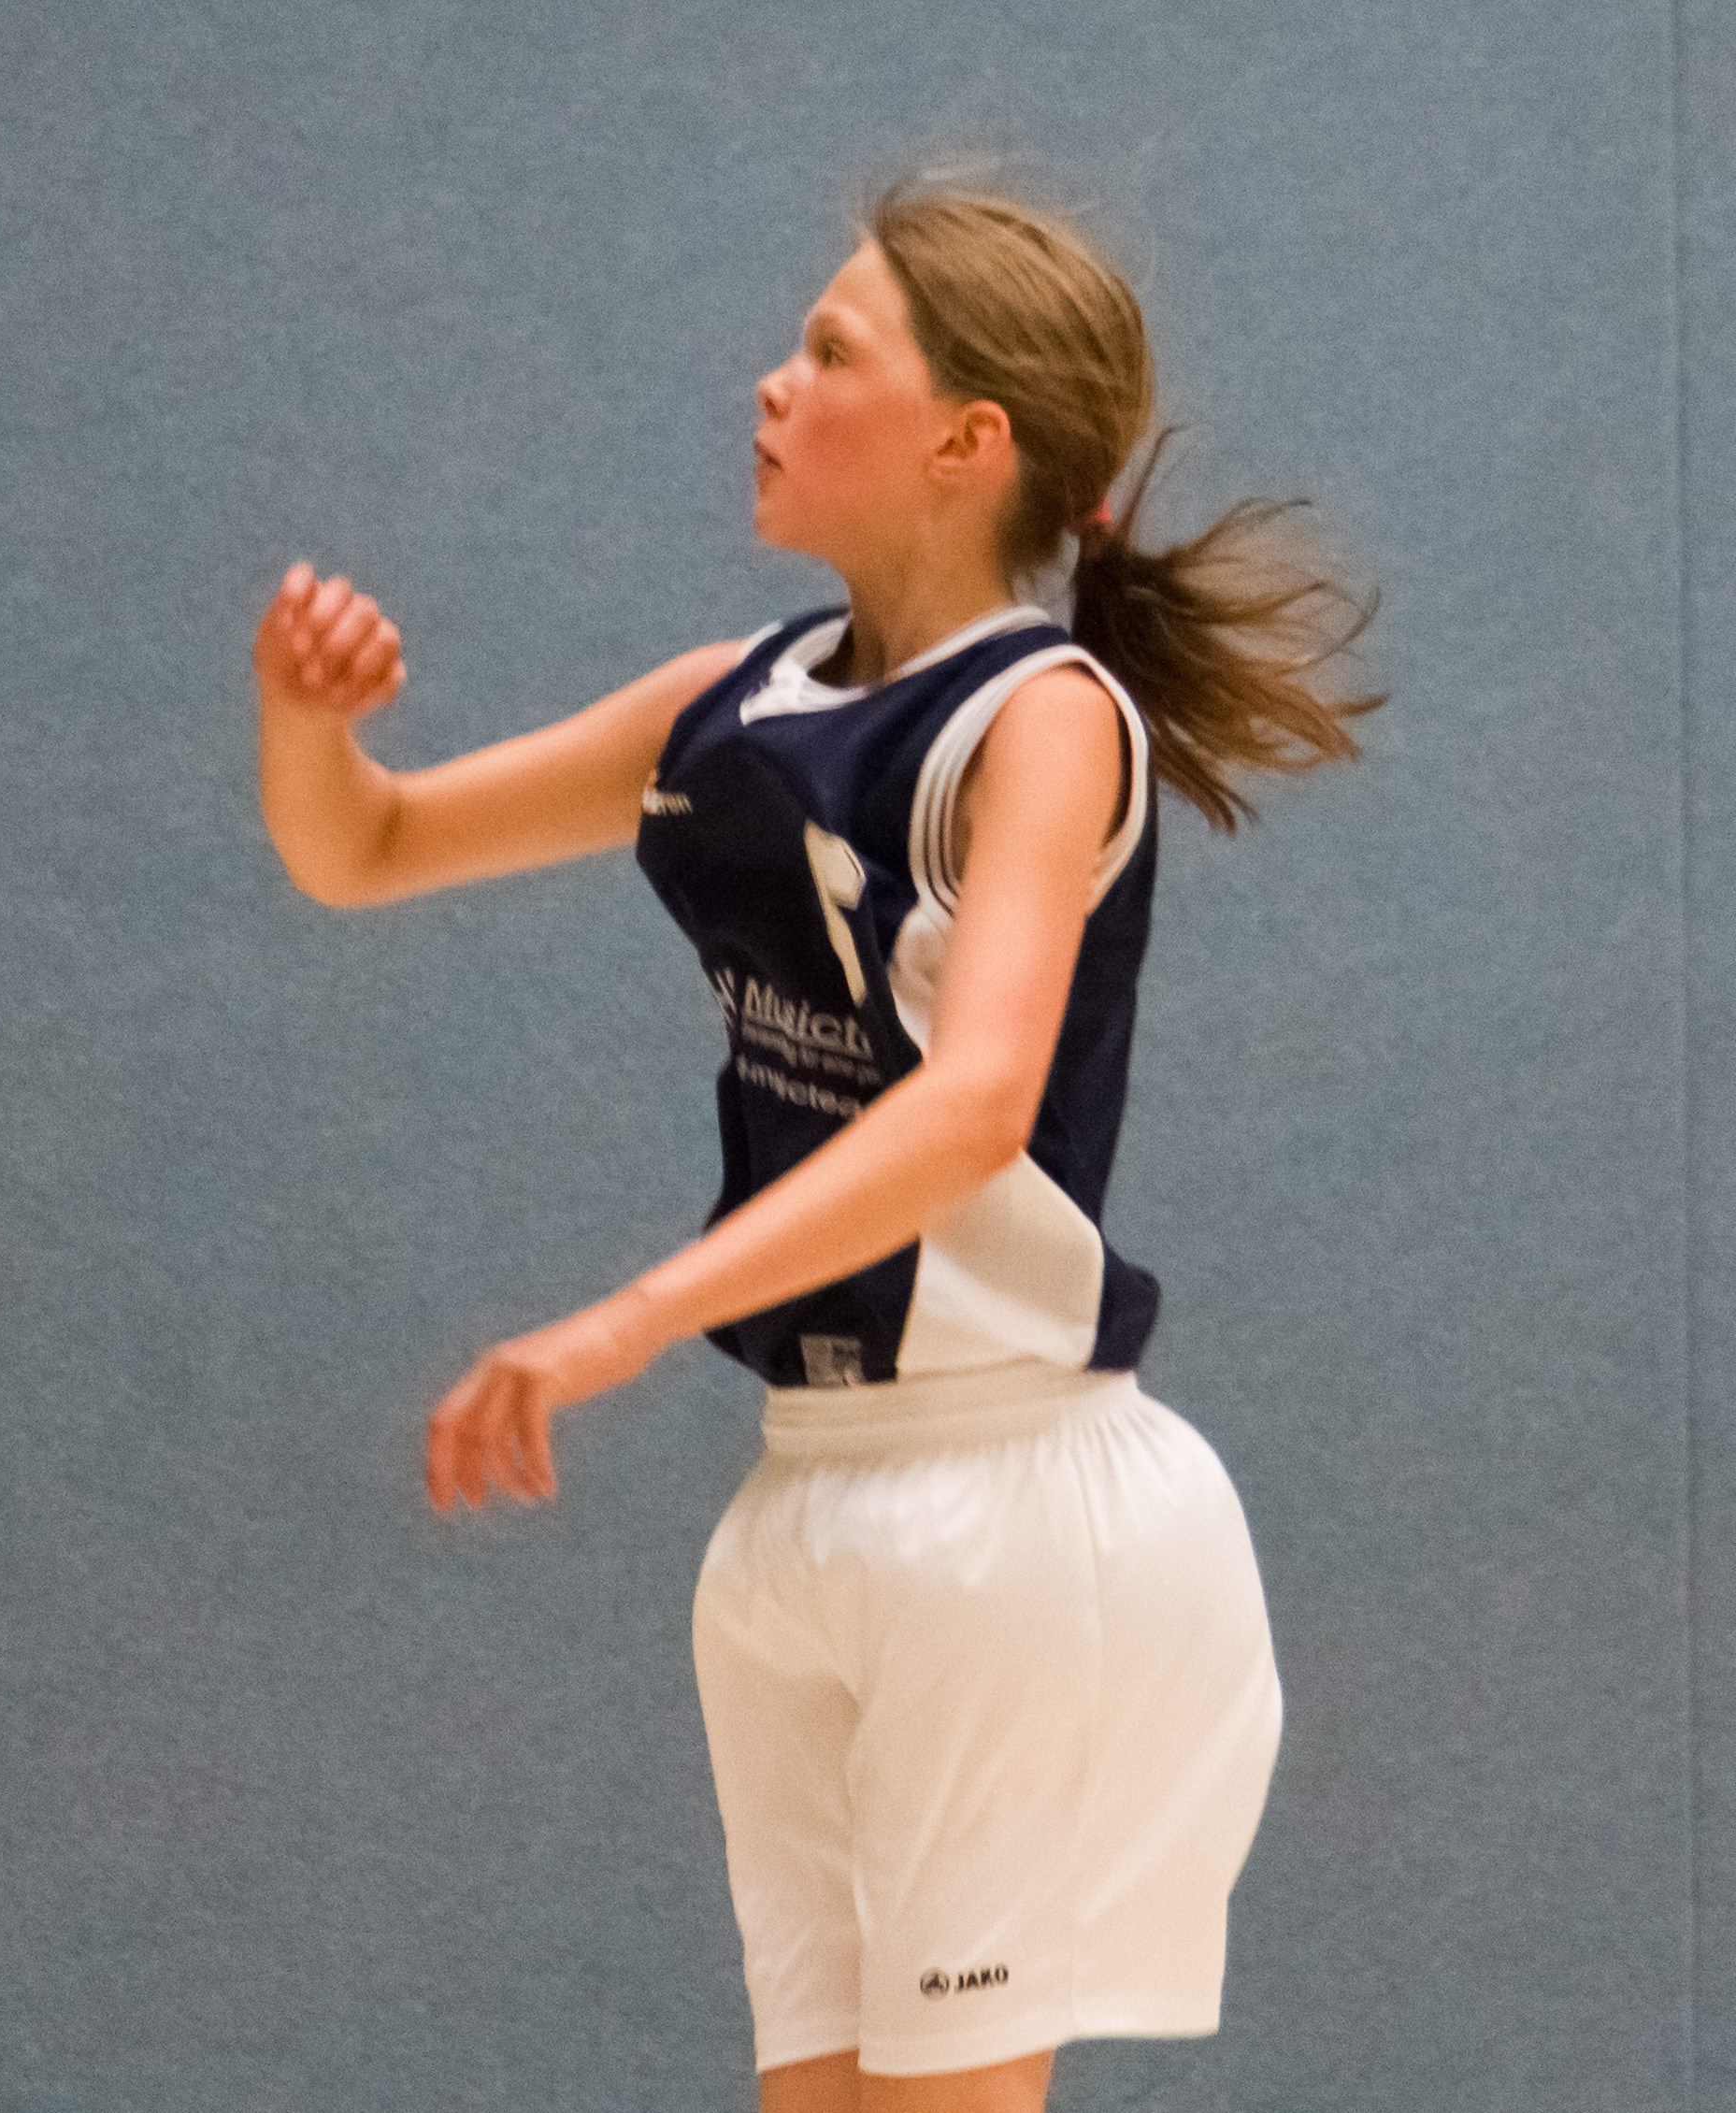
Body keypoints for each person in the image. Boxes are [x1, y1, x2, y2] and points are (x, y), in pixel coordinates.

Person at [251, 180, 1378, 2112]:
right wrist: (302, 723)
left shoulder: (1041, 719)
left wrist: (619, 1323)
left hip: (1002, 1507)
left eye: (831, 350)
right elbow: (363, 847)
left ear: (966, 442)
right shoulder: (728, 703)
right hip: (802, 1506)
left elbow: (976, 1100)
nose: (772, 384)